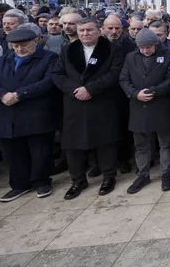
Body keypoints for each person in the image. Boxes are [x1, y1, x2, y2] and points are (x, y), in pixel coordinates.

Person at [52, 18, 125, 200]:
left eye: (89, 30)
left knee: (105, 142)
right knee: (73, 145)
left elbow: (115, 73)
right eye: (82, 30)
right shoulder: (68, 50)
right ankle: (78, 180)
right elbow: (58, 74)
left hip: (102, 101)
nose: (85, 34)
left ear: (99, 31)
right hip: (74, 103)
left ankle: (109, 177)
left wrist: (91, 89)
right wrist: (74, 90)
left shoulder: (112, 49)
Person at [0, 28, 58, 201]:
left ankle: (41, 181)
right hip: (6, 112)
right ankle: (19, 184)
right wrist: (2, 94)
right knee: (12, 152)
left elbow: (47, 82)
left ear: (36, 41)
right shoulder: (3, 60)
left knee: (39, 150)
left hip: (35, 111)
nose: (20, 49)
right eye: (15, 46)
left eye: (24, 45)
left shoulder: (49, 58)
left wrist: (20, 94)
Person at [118, 29, 170, 194]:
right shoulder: (131, 57)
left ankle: (166, 173)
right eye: (141, 48)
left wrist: (152, 91)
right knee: (141, 145)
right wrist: (135, 93)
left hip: (161, 106)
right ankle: (143, 174)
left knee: (166, 143)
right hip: (138, 107)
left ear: (156, 44)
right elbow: (123, 79)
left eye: (148, 47)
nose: (144, 51)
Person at [104, 15, 136, 174]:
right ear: (103, 29)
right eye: (110, 28)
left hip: (123, 93)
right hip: (101, 94)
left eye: (117, 28)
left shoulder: (130, 45)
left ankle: (123, 159)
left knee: (123, 128)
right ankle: (102, 162)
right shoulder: (98, 46)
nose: (114, 31)